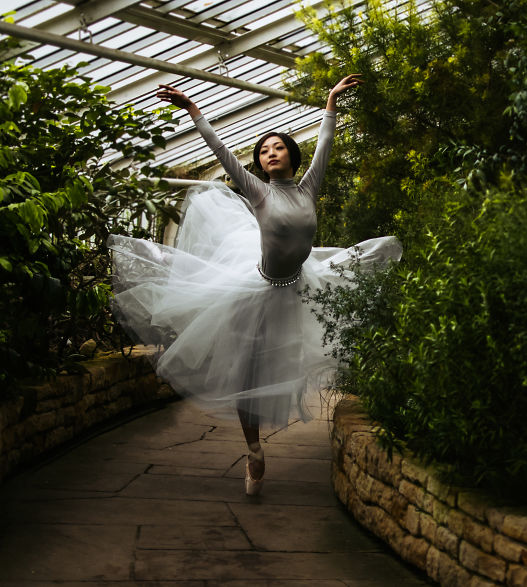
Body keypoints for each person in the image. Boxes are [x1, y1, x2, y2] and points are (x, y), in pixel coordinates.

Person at [107, 75, 402, 496]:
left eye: (277, 147)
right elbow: (222, 153)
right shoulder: (258, 192)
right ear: (260, 164)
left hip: (300, 287)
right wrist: (193, 112)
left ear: (291, 156)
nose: (269, 153)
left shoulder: (307, 188)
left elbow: (325, 145)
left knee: (292, 364)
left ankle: (260, 441)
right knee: (249, 374)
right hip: (257, 293)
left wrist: (331, 102)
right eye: (263, 150)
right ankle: (253, 449)